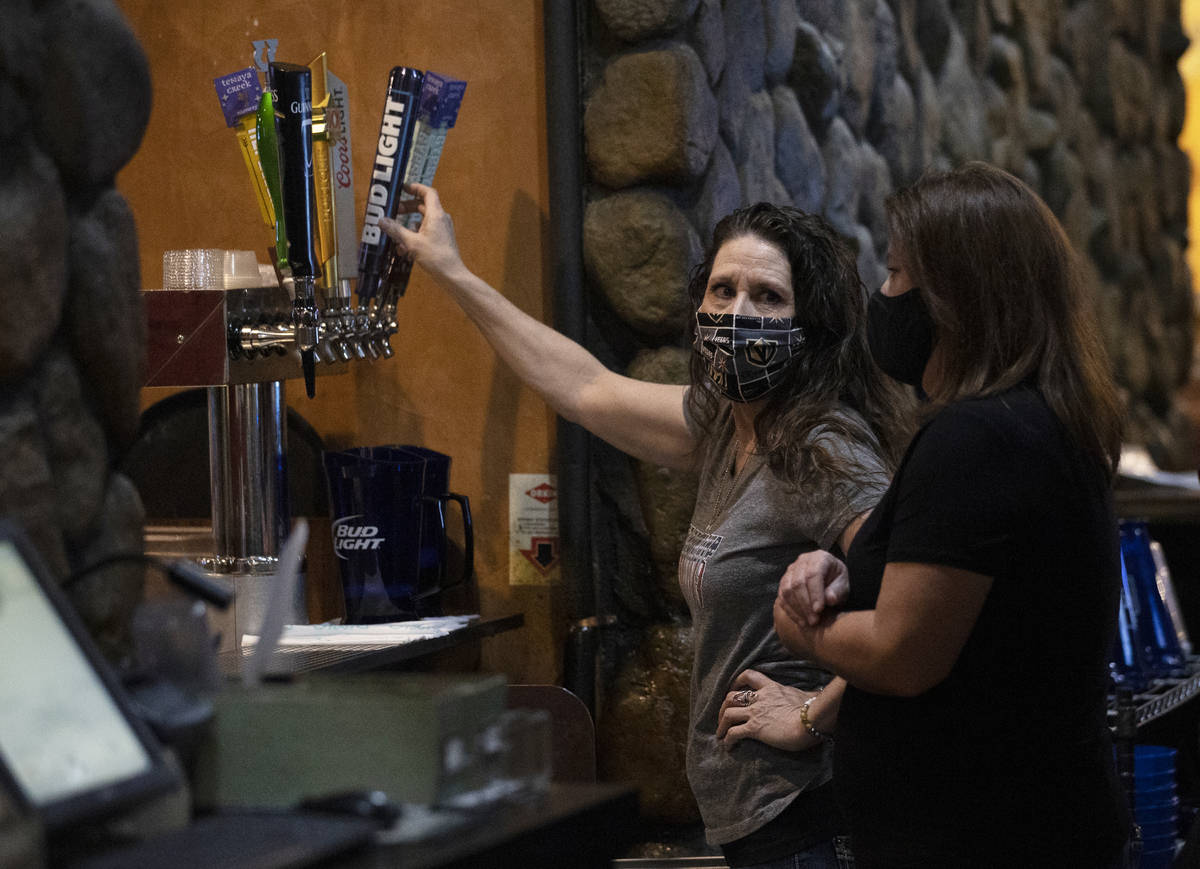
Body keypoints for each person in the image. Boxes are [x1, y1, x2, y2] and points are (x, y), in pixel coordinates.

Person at [379, 186, 909, 867]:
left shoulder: (823, 446)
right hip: (759, 825)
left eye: (768, 298)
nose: (738, 314)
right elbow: (583, 387)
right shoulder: (728, 426)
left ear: (810, 326)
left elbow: (913, 608)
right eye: (723, 291)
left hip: (810, 820)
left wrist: (812, 714)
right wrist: (454, 271)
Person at [773, 161, 1129, 868]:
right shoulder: (1039, 422)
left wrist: (799, 626)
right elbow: (961, 596)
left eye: (899, 273)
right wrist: (839, 571)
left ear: (955, 297)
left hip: (983, 838)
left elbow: (905, 654)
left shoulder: (977, 438)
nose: (885, 294)